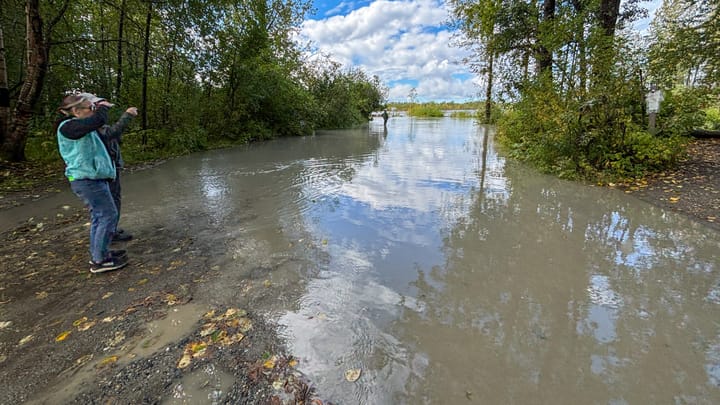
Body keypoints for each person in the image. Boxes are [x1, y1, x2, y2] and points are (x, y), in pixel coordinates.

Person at [55, 93, 130, 273]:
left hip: (94, 178)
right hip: (85, 180)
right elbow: (98, 120)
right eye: (90, 108)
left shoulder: (83, 127)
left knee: (100, 216)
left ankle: (100, 254)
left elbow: (107, 133)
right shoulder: (68, 127)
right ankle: (99, 260)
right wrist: (103, 106)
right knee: (107, 215)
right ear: (75, 111)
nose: (93, 111)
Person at [79, 93, 137, 242]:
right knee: (109, 205)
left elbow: (112, 136)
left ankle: (111, 231)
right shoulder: (88, 124)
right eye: (96, 107)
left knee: (113, 200)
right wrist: (127, 116)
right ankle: (108, 236)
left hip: (111, 166)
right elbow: (111, 134)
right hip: (104, 170)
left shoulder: (93, 124)